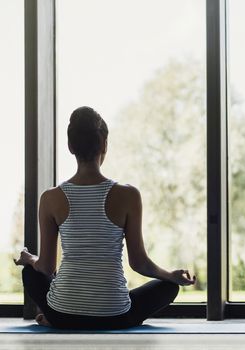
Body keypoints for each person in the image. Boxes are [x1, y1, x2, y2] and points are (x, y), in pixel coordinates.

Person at [13, 106, 196, 330]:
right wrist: (170, 275)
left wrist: (29, 258)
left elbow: (46, 268)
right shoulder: (129, 195)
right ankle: (103, 304)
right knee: (169, 287)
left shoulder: (51, 198)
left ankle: (53, 316)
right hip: (116, 317)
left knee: (29, 274)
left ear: (70, 147)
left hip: (62, 315)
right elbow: (139, 263)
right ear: (104, 144)